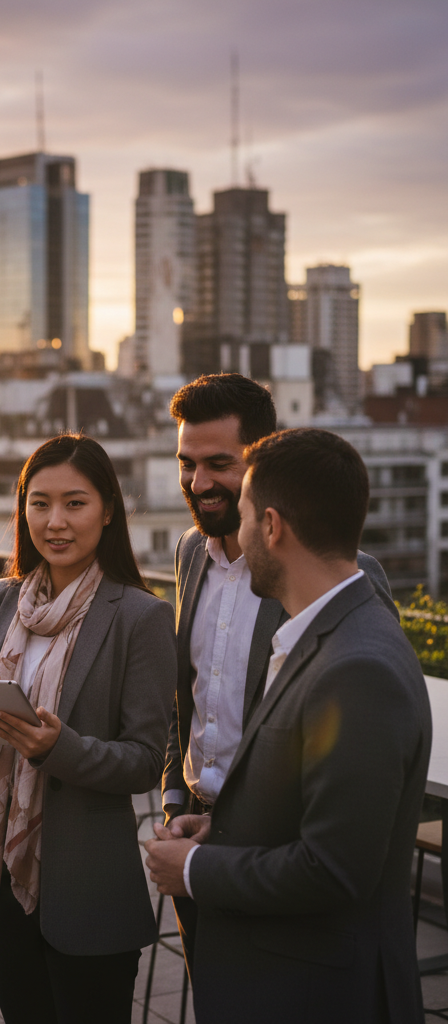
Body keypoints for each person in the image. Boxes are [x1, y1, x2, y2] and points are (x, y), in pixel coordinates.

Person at [145, 428, 431, 1023]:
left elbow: (334, 869)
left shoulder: (358, 667)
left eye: (246, 516)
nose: (235, 535)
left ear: (272, 527)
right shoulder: (325, 632)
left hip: (313, 992)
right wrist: (220, 827)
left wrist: (196, 868)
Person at [163, 373, 395, 977]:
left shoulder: (345, 575)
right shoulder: (192, 551)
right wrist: (173, 799)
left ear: (264, 460)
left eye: (219, 463)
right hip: (193, 821)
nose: (198, 482)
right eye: (186, 463)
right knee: (218, 993)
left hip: (278, 849)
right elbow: (186, 693)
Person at [0, 433, 176, 1024]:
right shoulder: (0, 601)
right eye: (39, 503)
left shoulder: (141, 617)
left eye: (75, 503)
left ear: (108, 510)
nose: (55, 522)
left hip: (88, 879)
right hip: (2, 865)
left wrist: (59, 749)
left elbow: (147, 761)